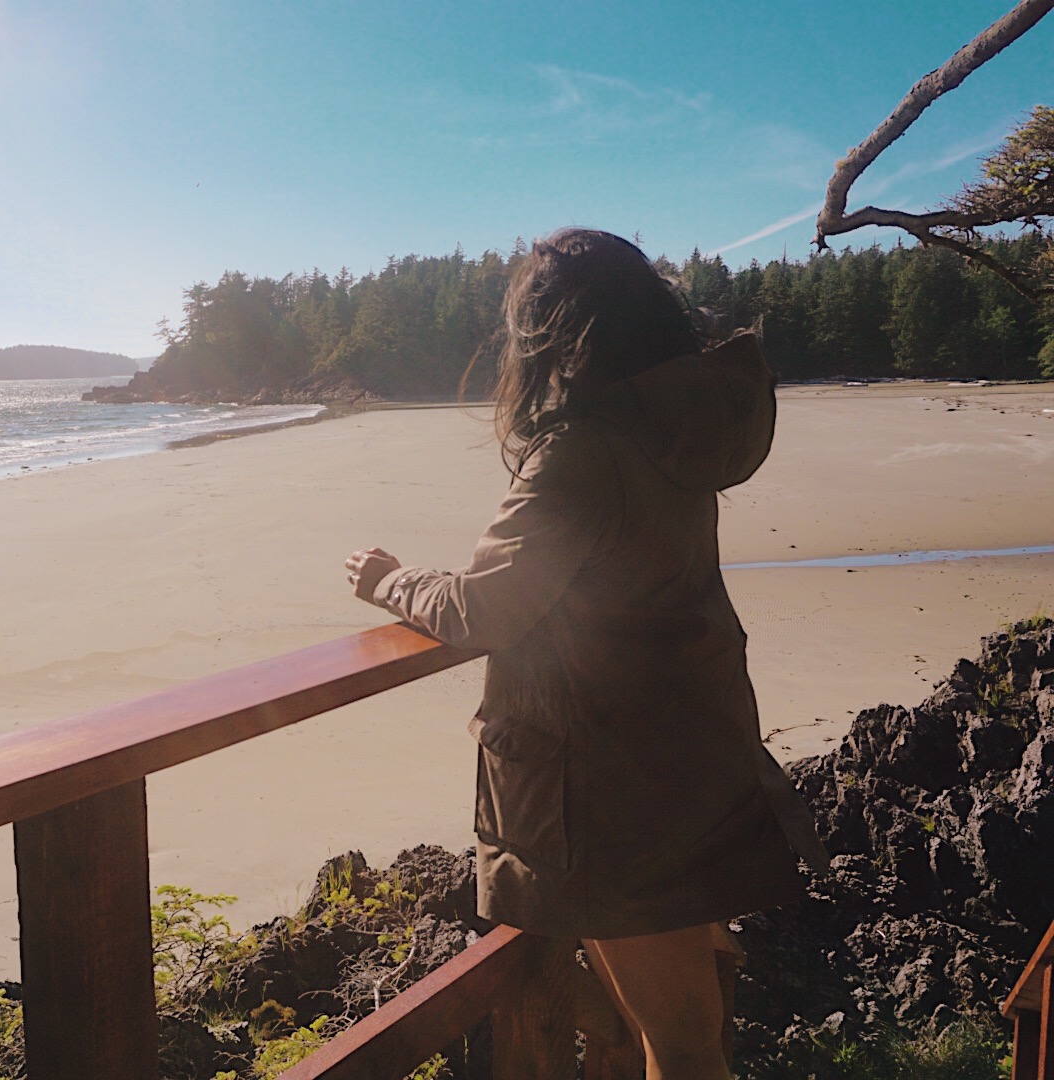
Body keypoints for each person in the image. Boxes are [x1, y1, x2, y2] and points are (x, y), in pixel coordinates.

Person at [343, 229, 828, 1080]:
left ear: (552, 332)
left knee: (680, 1043)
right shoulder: (673, 430)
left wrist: (389, 580)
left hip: (613, 789)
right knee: (676, 1019)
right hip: (689, 750)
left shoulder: (584, 453)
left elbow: (483, 607)